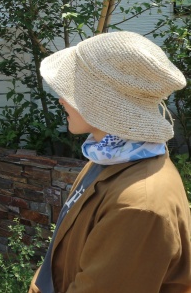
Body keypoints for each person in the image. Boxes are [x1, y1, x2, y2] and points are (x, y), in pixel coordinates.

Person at [28, 31, 191, 292]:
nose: (61, 98)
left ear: (100, 102)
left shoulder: (138, 206)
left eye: (74, 88)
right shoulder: (109, 158)